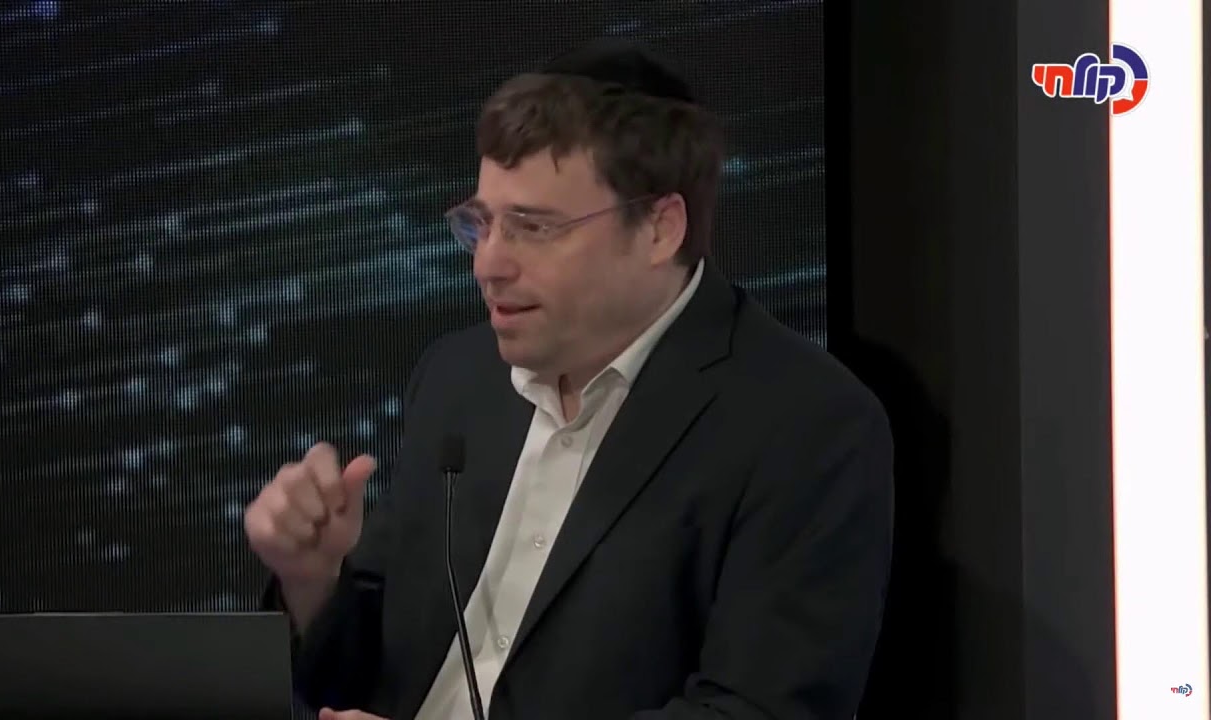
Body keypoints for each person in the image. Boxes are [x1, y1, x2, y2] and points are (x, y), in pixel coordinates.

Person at [244, 39, 894, 720]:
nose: (487, 265)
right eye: (482, 224)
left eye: (533, 227)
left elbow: (758, 712)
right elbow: (364, 675)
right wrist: (312, 580)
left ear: (659, 229)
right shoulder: (458, 378)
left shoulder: (806, 423)